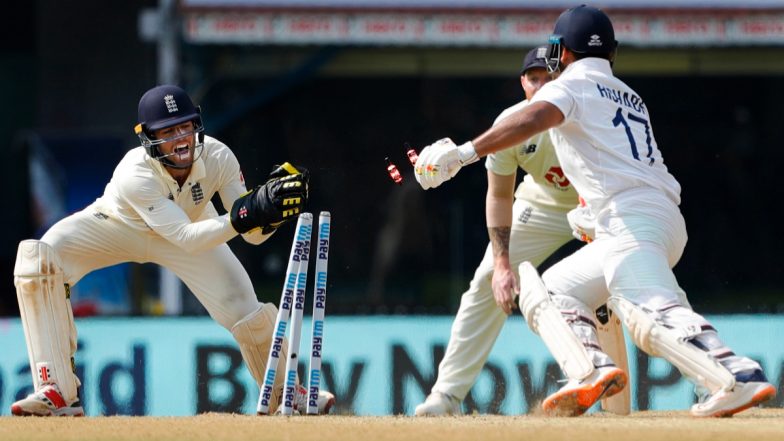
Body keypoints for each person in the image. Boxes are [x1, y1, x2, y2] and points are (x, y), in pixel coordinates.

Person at [413, 5, 775, 418]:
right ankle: (591, 368)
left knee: (648, 311)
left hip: (629, 219)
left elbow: (535, 115)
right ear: (612, 52)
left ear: (561, 52)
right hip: (654, 214)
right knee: (556, 289)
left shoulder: (569, 85)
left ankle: (736, 374)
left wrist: (463, 154)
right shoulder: (627, 93)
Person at [11, 85, 335, 416]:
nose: (181, 138)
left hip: (194, 225)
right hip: (119, 227)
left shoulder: (218, 156)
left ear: (197, 126)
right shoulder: (134, 173)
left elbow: (251, 235)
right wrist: (243, 216)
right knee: (38, 258)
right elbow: (192, 235)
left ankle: (285, 392)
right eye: (168, 131)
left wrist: (271, 213)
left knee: (245, 309)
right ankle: (57, 393)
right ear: (148, 138)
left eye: (186, 126)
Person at [415, 46, 581, 416]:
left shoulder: (583, 111)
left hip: (598, 206)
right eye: (534, 79)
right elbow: (500, 194)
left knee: (627, 274)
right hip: (544, 204)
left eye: (550, 78)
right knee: (486, 281)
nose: (542, 86)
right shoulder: (511, 123)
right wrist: (503, 263)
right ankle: (445, 397)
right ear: (523, 83)